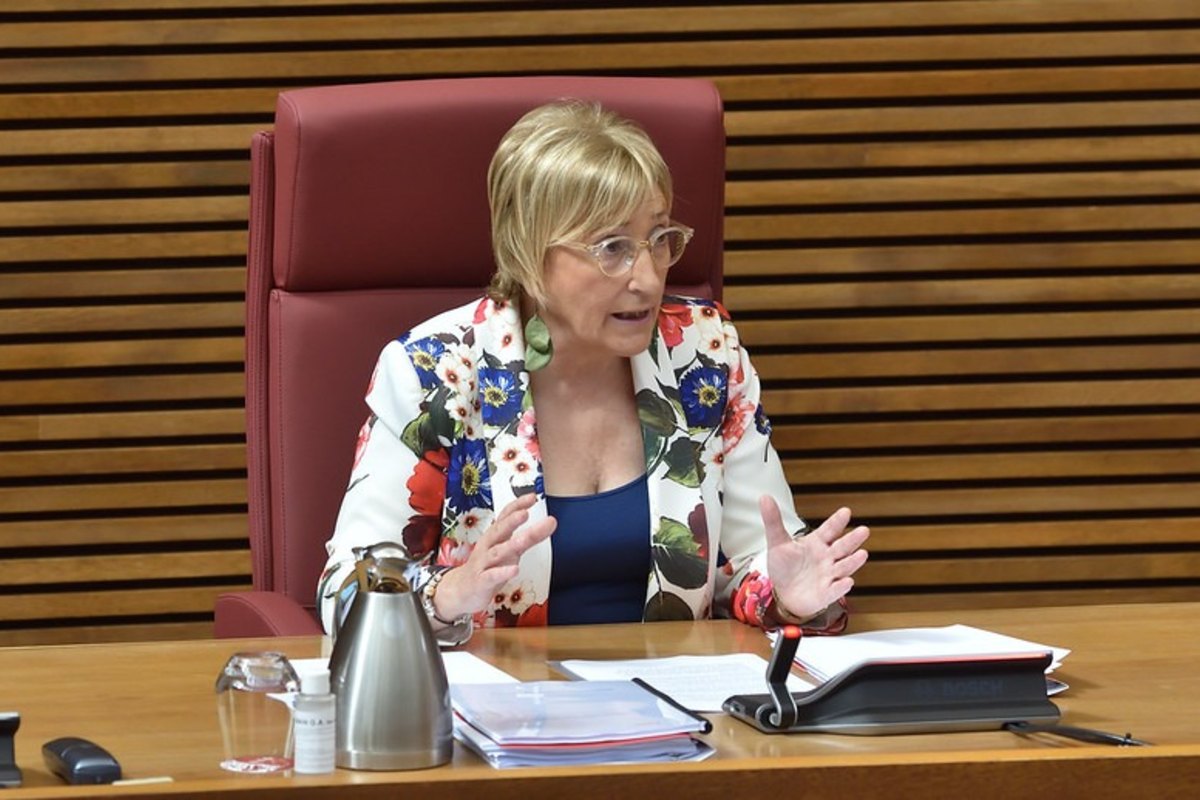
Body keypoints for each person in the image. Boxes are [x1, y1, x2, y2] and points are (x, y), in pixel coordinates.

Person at [317, 99, 869, 644]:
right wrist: (446, 595)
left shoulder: (702, 353)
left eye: (659, 240)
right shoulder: (433, 370)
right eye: (613, 248)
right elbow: (345, 593)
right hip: (498, 713)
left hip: (676, 707)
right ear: (529, 257)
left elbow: (754, 561)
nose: (648, 279)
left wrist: (786, 593)